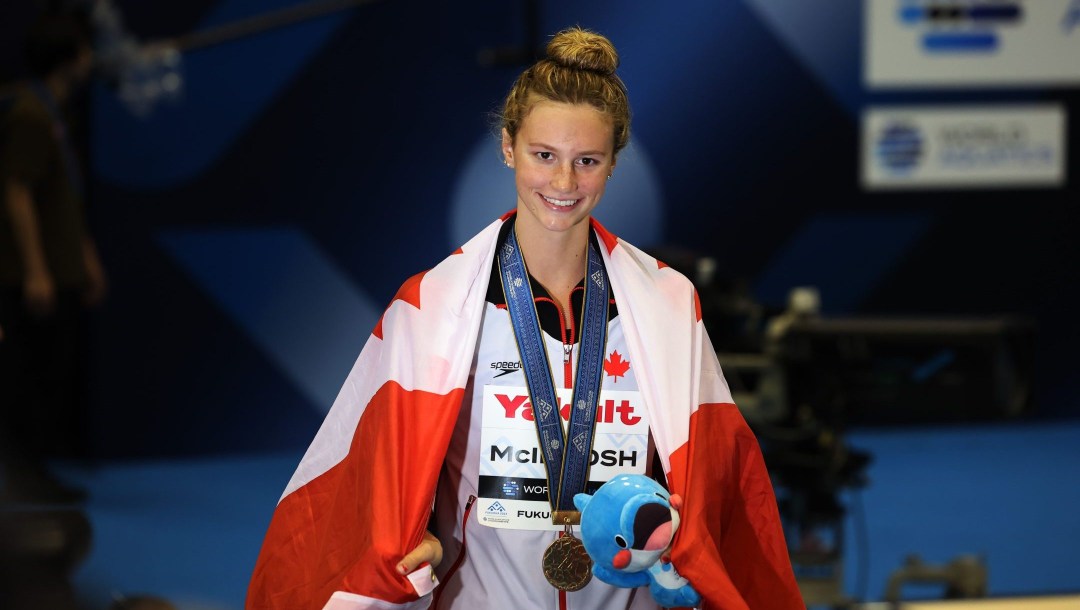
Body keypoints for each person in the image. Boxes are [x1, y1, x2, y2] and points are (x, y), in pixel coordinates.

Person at [247, 27, 803, 610]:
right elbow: (369, 481)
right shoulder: (432, 307)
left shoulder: (667, 304)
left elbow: (715, 477)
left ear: (614, 161)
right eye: (545, 156)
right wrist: (422, 542)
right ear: (509, 147)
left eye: (587, 160)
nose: (564, 184)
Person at [0, 8, 105, 503]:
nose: (91, 58)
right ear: (70, 57)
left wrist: (83, 257)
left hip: (61, 270)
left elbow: (62, 195)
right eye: (85, 49)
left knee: (51, 377)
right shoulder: (29, 113)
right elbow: (16, 191)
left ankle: (34, 477)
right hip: (33, 278)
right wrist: (37, 270)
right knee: (30, 381)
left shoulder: (55, 111)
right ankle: (24, 483)